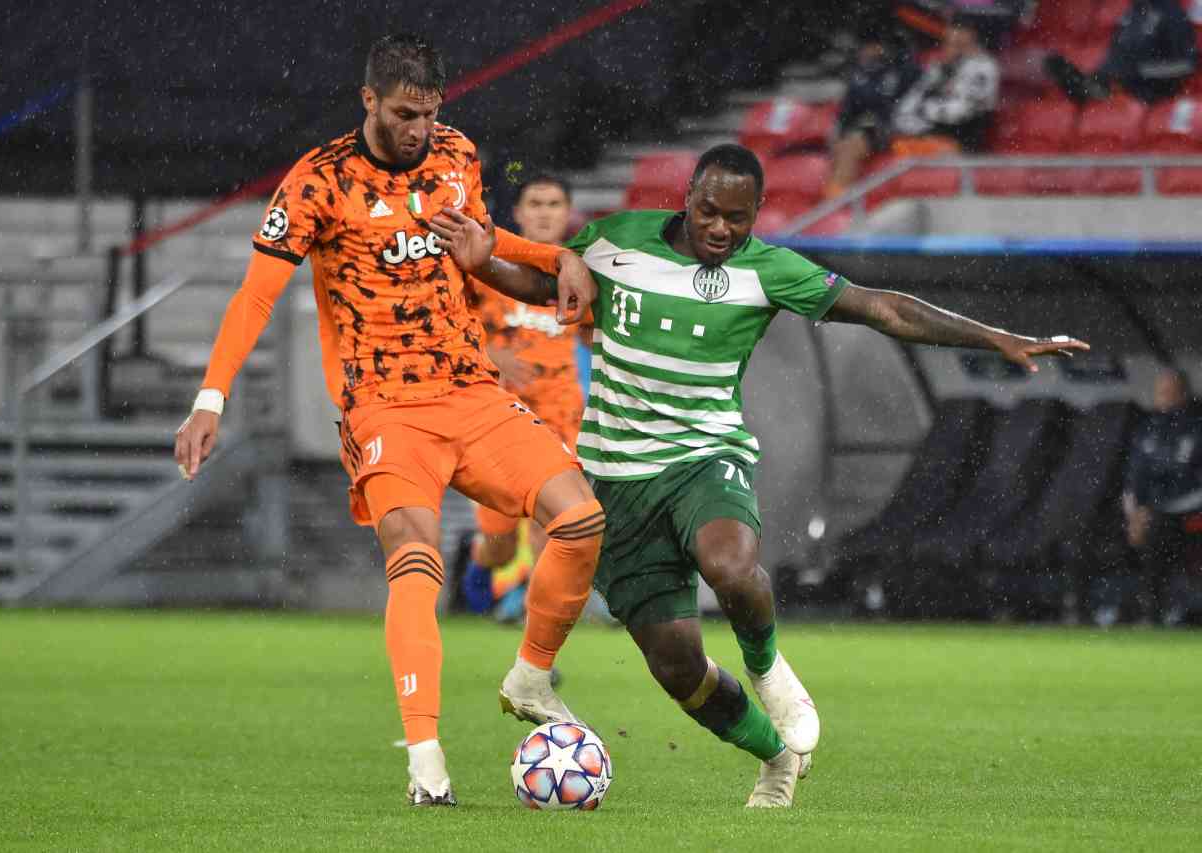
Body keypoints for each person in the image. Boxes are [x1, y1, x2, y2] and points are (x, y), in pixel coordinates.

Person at [433, 143, 1088, 808]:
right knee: (678, 665)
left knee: (731, 563)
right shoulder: (615, 239)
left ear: (756, 216)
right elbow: (545, 287)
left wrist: (994, 336)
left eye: (738, 219)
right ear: (686, 197)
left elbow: (879, 307)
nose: (722, 229)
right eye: (710, 212)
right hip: (617, 481)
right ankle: (774, 757)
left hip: (704, 458)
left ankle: (769, 667)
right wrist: (483, 265)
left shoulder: (768, 270)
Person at [173, 34, 607, 808]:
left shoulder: (456, 153)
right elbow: (256, 296)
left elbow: (480, 242)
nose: (419, 130)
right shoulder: (316, 183)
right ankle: (426, 755)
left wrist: (554, 258)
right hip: (383, 404)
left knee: (580, 519)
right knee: (414, 553)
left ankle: (531, 675)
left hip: (469, 388)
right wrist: (211, 399)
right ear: (369, 100)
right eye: (406, 114)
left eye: (430, 114)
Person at [461, 175, 587, 622]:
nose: (544, 212)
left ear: (568, 212)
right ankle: (480, 568)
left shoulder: (580, 273)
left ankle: (536, 649)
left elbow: (600, 336)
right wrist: (492, 354)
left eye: (555, 202)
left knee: (552, 527)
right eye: (535, 202)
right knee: (498, 543)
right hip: (499, 417)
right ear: (517, 213)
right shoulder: (486, 266)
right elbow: (448, 329)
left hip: (560, 415)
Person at [826, 17, 1000, 197]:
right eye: (948, 43)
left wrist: (924, 111)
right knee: (851, 143)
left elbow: (960, 112)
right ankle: (835, 202)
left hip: (957, 140)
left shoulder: (983, 67)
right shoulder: (938, 69)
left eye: (959, 44)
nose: (951, 49)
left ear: (972, 43)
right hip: (920, 133)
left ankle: (841, 206)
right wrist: (914, 117)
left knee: (863, 142)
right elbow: (907, 108)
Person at [1118, 368, 1202, 626]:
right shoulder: (1147, 429)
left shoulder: (1196, 428)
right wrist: (1134, 516)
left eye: (1170, 390)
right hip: (1150, 513)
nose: (1164, 396)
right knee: (1098, 530)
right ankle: (1126, 608)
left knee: (1160, 532)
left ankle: (1159, 610)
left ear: (1184, 393)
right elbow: (1133, 481)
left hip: (1191, 512)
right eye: (1160, 391)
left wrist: (1161, 511)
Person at [824, 26, 924, 199]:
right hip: (866, 128)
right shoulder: (860, 73)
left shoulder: (905, 71)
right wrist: (839, 132)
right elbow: (847, 109)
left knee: (851, 146)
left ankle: (834, 204)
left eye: (869, 47)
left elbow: (903, 103)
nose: (864, 52)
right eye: (862, 48)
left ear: (881, 47)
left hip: (894, 127)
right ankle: (833, 198)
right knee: (841, 144)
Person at [1046, 0, 1198, 105]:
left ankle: (1091, 89)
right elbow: (1117, 52)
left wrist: (1139, 70)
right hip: (1118, 83)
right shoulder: (1133, 11)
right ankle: (1090, 85)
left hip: (1149, 90)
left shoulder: (1173, 14)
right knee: (1059, 67)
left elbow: (1187, 65)